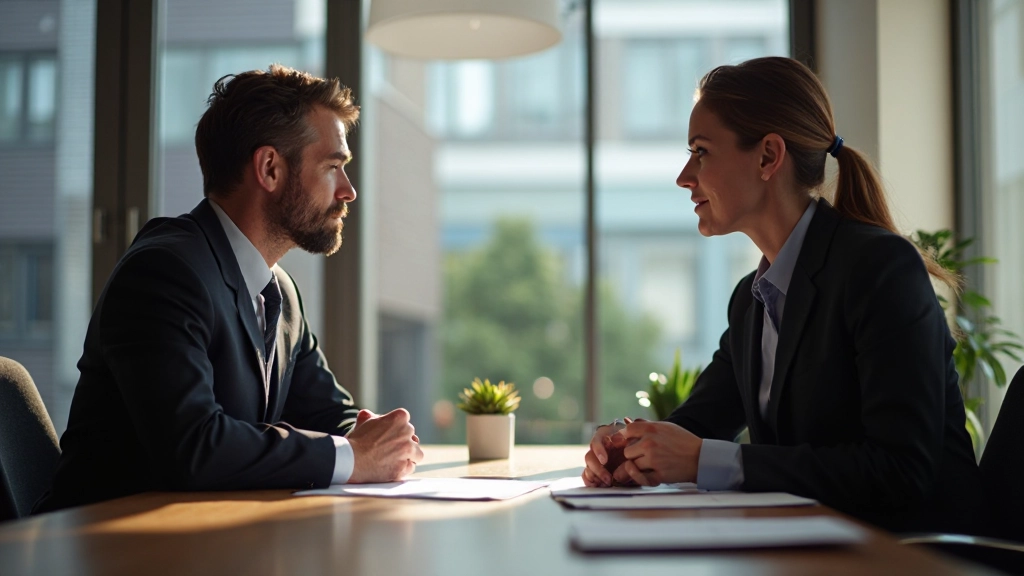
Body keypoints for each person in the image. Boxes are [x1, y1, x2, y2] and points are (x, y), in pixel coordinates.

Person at [582, 57, 984, 534]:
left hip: (916, 555)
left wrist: (706, 459)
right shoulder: (751, 301)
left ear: (768, 156)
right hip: (813, 547)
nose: (684, 176)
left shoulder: (879, 269)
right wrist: (625, 446)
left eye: (701, 151)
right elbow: (695, 428)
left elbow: (900, 471)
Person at [35, 65, 423, 513]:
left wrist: (377, 439)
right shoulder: (163, 273)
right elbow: (193, 446)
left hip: (207, 534)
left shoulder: (281, 293)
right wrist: (355, 455)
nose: (348, 191)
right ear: (270, 168)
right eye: (333, 166)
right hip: (104, 539)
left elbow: (330, 415)